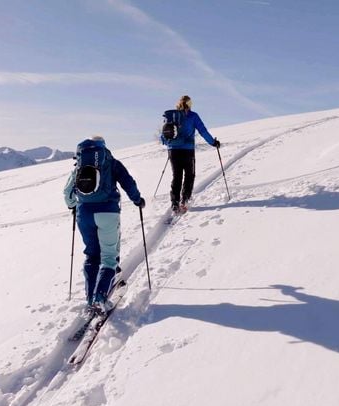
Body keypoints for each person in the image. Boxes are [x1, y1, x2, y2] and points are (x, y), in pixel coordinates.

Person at [63, 136, 145, 312]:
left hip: (84, 214)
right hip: (108, 212)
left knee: (92, 256)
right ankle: (101, 295)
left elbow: (67, 192)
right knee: (108, 257)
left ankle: (90, 298)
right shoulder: (111, 162)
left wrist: (74, 206)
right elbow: (128, 183)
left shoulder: (79, 165)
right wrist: (138, 200)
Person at [161, 95, 221, 213]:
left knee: (176, 176)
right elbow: (203, 131)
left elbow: (163, 136)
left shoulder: (172, 116)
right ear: (190, 104)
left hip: (173, 151)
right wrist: (213, 142)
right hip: (188, 151)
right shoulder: (193, 116)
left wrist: (170, 144)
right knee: (189, 175)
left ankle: (174, 203)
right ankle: (185, 200)